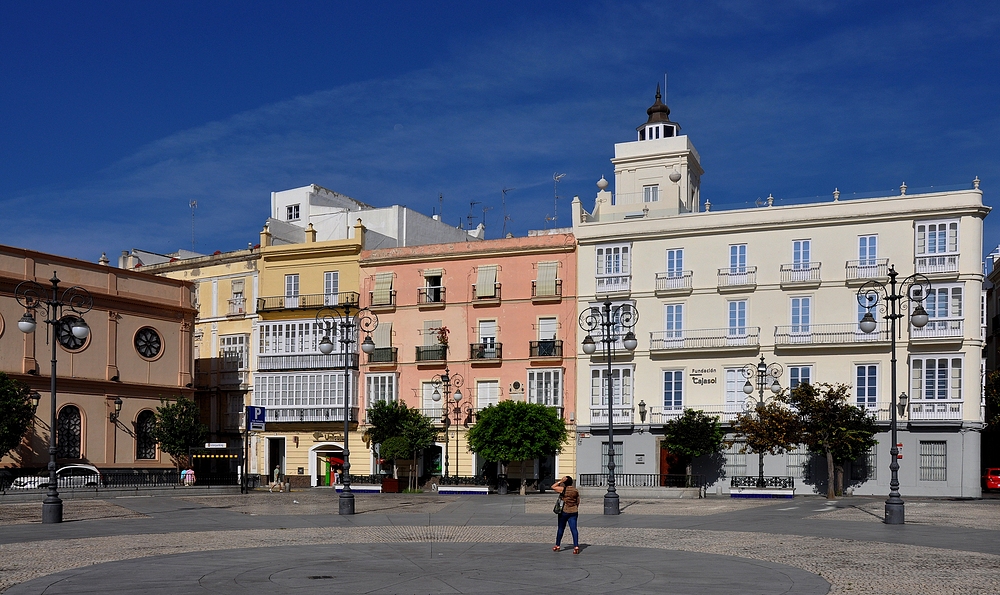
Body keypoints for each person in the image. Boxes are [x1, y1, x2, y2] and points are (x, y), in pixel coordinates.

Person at [552, 475, 580, 554]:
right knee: (574, 529)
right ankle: (576, 546)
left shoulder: (563, 489)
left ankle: (557, 545)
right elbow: (578, 501)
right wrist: (574, 507)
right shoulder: (575, 490)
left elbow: (553, 487)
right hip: (574, 511)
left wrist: (560, 481)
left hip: (564, 511)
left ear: (565, 483)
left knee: (561, 528)